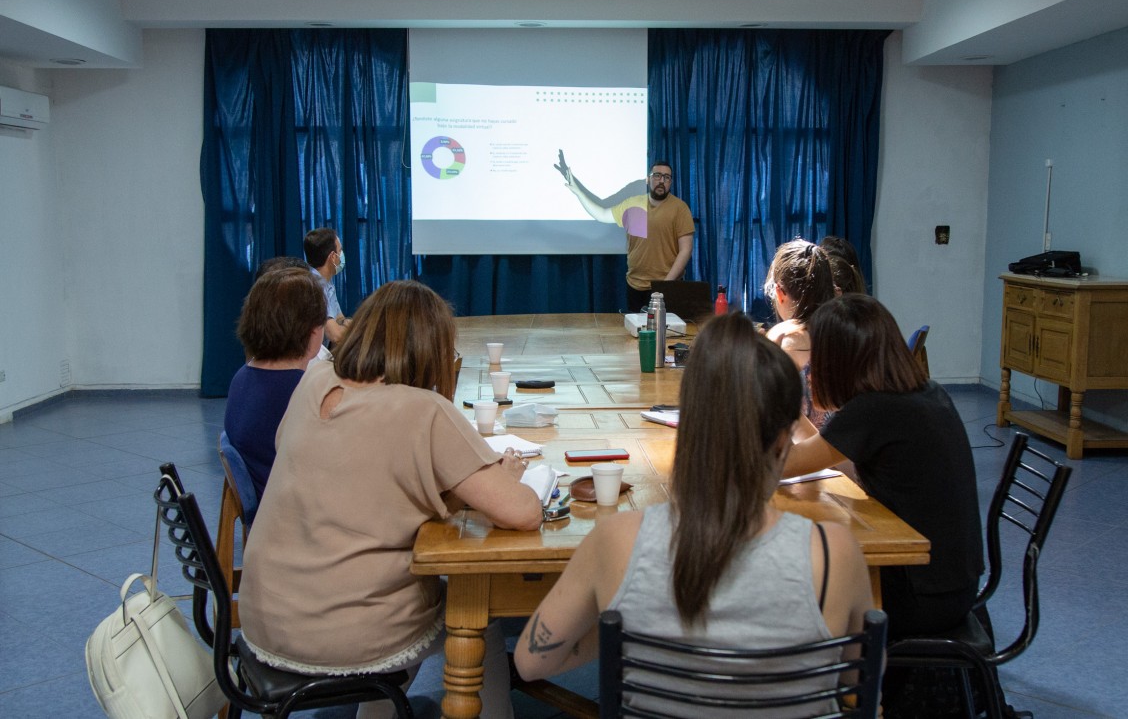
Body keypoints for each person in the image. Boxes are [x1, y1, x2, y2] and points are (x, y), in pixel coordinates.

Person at [514, 314, 873, 717]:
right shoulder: (835, 553)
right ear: (783, 439)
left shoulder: (616, 540)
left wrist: (629, 627)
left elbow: (531, 662)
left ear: (688, 425)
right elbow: (857, 687)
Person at [238, 279, 543, 719]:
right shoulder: (423, 410)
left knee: (401, 593)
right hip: (346, 635)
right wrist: (507, 477)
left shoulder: (314, 381)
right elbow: (523, 513)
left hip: (265, 621)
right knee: (477, 610)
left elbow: (368, 483)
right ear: (430, 350)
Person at [783, 294, 983, 641]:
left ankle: (836, 684)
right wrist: (794, 414)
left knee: (796, 572)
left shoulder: (875, 409)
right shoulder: (920, 392)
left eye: (819, 360)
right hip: (954, 583)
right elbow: (831, 457)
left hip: (920, 595)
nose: (812, 371)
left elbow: (784, 466)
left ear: (839, 362)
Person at [224, 266, 326, 502]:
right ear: (313, 332)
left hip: (270, 512)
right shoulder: (303, 394)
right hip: (298, 520)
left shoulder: (242, 377)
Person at [559, 153, 695, 312]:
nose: (661, 181)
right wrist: (578, 192)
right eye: (657, 176)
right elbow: (601, 214)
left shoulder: (680, 208)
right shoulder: (633, 204)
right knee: (637, 334)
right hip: (635, 285)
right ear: (648, 179)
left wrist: (665, 285)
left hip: (667, 286)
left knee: (666, 334)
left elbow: (686, 250)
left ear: (670, 182)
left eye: (666, 177)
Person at [764, 239, 836, 428]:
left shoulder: (783, 339)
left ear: (779, 292)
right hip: (849, 451)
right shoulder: (848, 333)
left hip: (807, 453)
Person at [303, 227, 350, 345]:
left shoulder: (327, 282)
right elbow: (336, 335)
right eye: (340, 251)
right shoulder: (315, 286)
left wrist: (345, 323)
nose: (342, 255)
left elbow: (339, 318)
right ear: (333, 257)